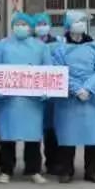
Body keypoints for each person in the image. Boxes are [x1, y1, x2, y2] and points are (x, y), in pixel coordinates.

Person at [0, 13, 51, 184]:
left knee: (33, 138)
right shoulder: (2, 46)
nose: (21, 27)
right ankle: (6, 170)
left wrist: (47, 89)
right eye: (18, 24)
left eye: (24, 24)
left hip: (32, 100)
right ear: (12, 26)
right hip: (8, 99)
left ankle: (34, 170)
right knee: (7, 137)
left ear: (30, 27)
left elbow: (48, 69)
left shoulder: (41, 47)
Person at [51, 11, 95, 184]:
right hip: (68, 98)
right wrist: (77, 89)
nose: (81, 24)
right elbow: (58, 71)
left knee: (92, 137)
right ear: (69, 25)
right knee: (68, 136)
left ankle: (92, 171)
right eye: (78, 21)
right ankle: (66, 170)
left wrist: (89, 88)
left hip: (92, 97)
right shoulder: (60, 48)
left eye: (83, 21)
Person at [32, 12, 61, 175]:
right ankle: (33, 166)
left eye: (44, 24)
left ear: (49, 26)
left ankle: (53, 163)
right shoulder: (29, 44)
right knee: (33, 131)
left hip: (51, 94)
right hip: (33, 93)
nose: (41, 27)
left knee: (51, 131)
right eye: (38, 24)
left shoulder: (58, 44)